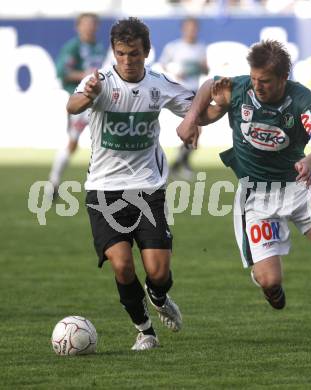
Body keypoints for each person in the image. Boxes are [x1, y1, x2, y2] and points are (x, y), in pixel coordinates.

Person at [176, 40, 311, 344]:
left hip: (300, 186)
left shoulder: (301, 99)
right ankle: (268, 284)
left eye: (264, 81)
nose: (257, 86)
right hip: (258, 195)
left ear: (283, 78)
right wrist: (190, 119)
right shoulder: (239, 89)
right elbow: (208, 87)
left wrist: (309, 160)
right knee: (270, 280)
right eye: (253, 79)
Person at [67, 17, 197, 351]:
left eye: (134, 54)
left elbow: (195, 108)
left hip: (148, 188)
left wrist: (204, 113)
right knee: (123, 266)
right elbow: (73, 104)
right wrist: (88, 95)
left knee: (158, 271)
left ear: (146, 52)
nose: (127, 61)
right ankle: (145, 331)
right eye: (121, 54)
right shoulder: (99, 82)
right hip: (103, 190)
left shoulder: (159, 84)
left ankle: (158, 294)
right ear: (114, 52)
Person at [47, 13, 105, 198]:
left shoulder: (100, 47)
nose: (89, 28)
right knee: (72, 143)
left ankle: (109, 187)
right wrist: (85, 75)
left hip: (100, 101)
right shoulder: (72, 47)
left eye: (92, 24)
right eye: (86, 24)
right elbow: (63, 72)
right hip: (81, 101)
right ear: (78, 27)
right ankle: (54, 181)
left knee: (109, 143)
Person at [159, 17, 208, 180]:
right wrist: (174, 71)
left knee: (196, 130)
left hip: (195, 91)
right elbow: (163, 65)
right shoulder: (174, 47)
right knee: (195, 129)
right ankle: (180, 164)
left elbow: (205, 69)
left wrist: (203, 67)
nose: (191, 30)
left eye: (194, 27)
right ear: (183, 29)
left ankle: (178, 163)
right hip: (179, 92)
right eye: (189, 27)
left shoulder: (201, 47)